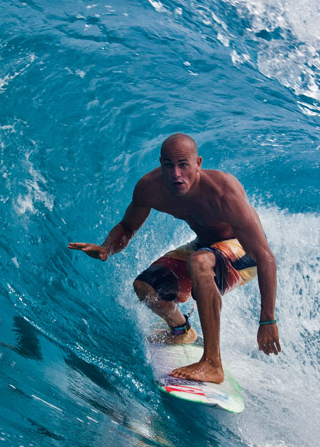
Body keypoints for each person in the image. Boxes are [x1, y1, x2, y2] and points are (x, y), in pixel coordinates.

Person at [68, 133, 280, 384]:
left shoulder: (223, 192)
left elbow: (266, 257)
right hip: (204, 246)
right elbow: (128, 226)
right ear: (160, 164)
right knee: (146, 287)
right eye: (168, 165)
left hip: (244, 253)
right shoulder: (150, 188)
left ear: (198, 163)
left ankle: (212, 363)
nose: (176, 173)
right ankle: (181, 331)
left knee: (200, 262)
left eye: (183, 165)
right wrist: (106, 249)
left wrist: (267, 319)